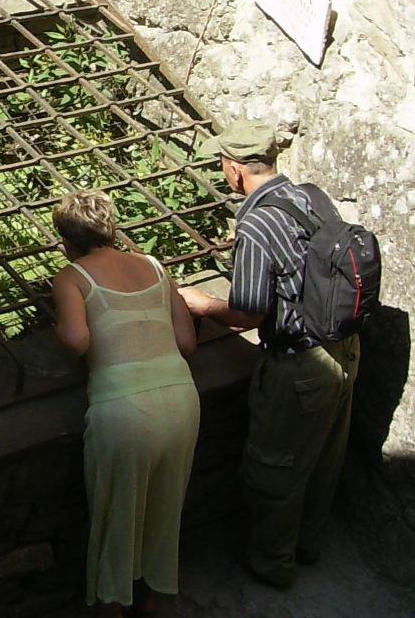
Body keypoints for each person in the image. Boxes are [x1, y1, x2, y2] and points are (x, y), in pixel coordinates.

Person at [179, 119, 360, 589]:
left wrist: (201, 303)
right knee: (322, 457)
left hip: (299, 365)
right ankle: (308, 544)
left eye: (223, 165)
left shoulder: (256, 222)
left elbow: (249, 313)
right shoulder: (309, 196)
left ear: (236, 171)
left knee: (272, 468)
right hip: (343, 349)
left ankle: (272, 564)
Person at [52, 190, 199, 618]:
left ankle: (112, 609)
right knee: (164, 509)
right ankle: (152, 602)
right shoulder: (154, 265)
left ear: (67, 240)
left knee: (115, 518)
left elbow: (78, 341)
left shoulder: (73, 277)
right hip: (181, 398)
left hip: (124, 410)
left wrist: (59, 327)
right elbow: (187, 342)